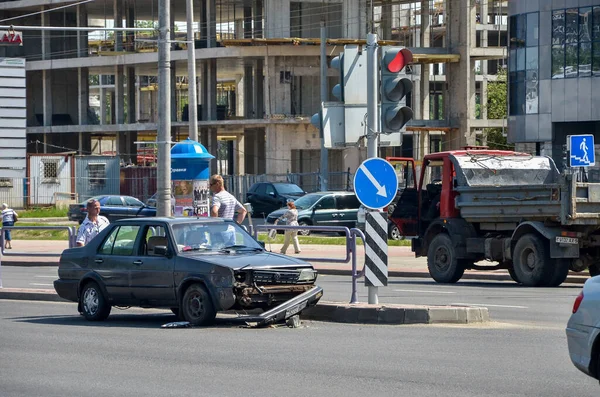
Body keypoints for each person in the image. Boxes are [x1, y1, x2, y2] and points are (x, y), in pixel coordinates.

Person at [209, 174, 247, 247]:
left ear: (217, 184)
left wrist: (214, 226)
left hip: (219, 232)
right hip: (231, 231)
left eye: (211, 185)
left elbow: (214, 211)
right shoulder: (231, 196)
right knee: (230, 254)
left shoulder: (217, 197)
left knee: (217, 254)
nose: (209, 187)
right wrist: (236, 224)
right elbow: (243, 211)